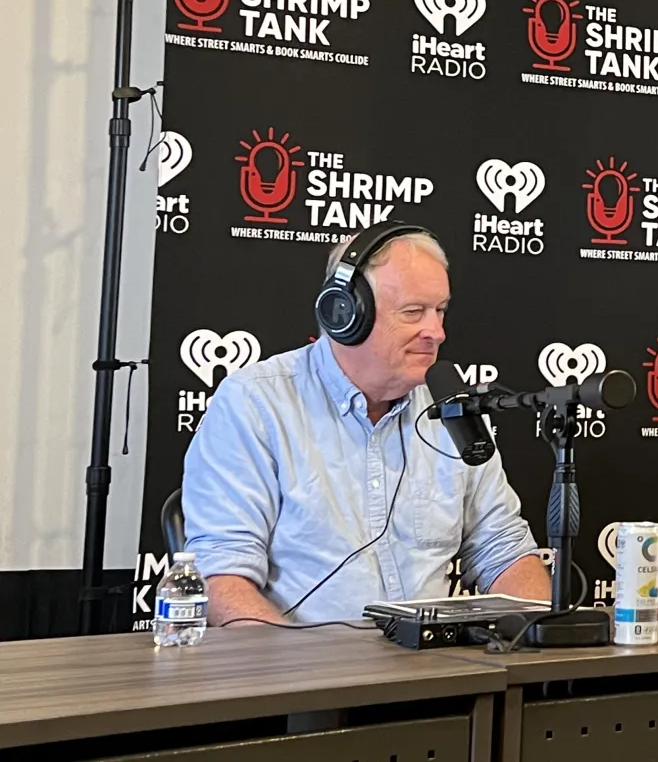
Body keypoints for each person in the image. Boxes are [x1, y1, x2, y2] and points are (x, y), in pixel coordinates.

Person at [183, 222, 550, 625]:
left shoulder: (450, 410)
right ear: (345, 313)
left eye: (440, 310)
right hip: (304, 671)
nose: (437, 332)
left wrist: (537, 638)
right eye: (414, 312)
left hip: (434, 673)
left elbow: (505, 551)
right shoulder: (255, 403)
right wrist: (302, 675)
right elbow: (223, 580)